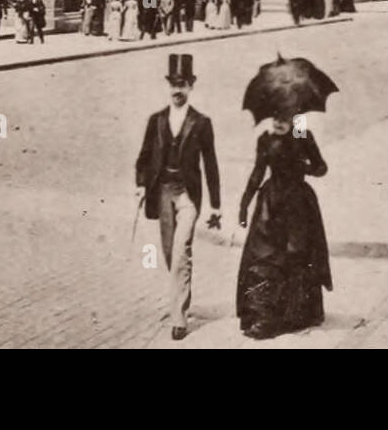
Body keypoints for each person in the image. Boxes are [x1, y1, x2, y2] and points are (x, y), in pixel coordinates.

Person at [134, 54, 222, 341]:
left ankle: (179, 317)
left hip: (187, 196)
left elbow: (210, 165)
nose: (177, 90)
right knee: (171, 253)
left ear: (191, 86)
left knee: (182, 251)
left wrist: (216, 205)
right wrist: (140, 184)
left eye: (182, 84)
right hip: (163, 193)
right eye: (173, 84)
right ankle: (181, 296)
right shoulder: (156, 120)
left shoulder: (201, 123)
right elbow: (144, 157)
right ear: (167, 85)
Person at [236, 116, 332, 340]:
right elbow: (258, 172)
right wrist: (244, 203)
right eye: (275, 116)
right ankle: (264, 317)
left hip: (298, 205)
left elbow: (321, 167)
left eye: (284, 116)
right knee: (263, 257)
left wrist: (305, 167)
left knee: (296, 257)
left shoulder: (301, 134)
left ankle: (296, 315)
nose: (278, 122)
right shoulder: (266, 140)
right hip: (271, 204)